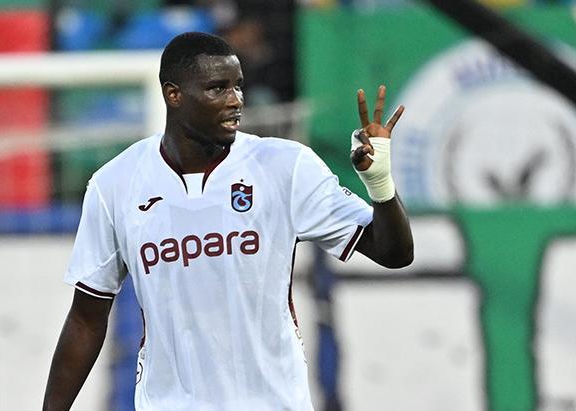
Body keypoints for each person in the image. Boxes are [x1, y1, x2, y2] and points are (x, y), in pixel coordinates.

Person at [43, 31, 413, 411]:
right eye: (217, 88)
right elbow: (86, 318)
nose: (235, 100)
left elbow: (394, 254)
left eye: (238, 86)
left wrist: (379, 183)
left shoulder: (285, 167)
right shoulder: (115, 185)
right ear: (174, 95)